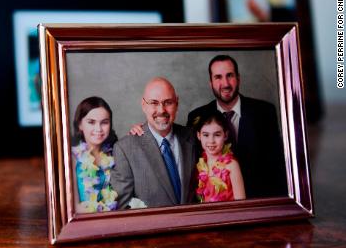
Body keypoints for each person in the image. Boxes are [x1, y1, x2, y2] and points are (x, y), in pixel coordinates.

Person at [186, 54, 287, 198]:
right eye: (218, 77)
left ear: (238, 78)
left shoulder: (264, 112)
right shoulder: (197, 116)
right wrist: (145, 129)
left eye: (230, 75)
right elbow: (183, 148)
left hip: (259, 202)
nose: (225, 83)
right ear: (211, 82)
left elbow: (277, 165)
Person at [110, 77, 197, 209]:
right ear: (144, 105)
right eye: (154, 103)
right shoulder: (125, 149)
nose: (161, 110)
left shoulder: (193, 137)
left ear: (177, 103)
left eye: (168, 102)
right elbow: (123, 208)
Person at [71, 96, 118, 213]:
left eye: (104, 122)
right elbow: (73, 208)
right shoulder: (71, 158)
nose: (98, 129)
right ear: (80, 125)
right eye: (91, 122)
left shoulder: (116, 153)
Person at [194, 110, 245, 202]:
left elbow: (241, 205)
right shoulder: (200, 165)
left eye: (217, 135)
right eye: (206, 135)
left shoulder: (232, 165)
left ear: (225, 135)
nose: (211, 141)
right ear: (199, 135)